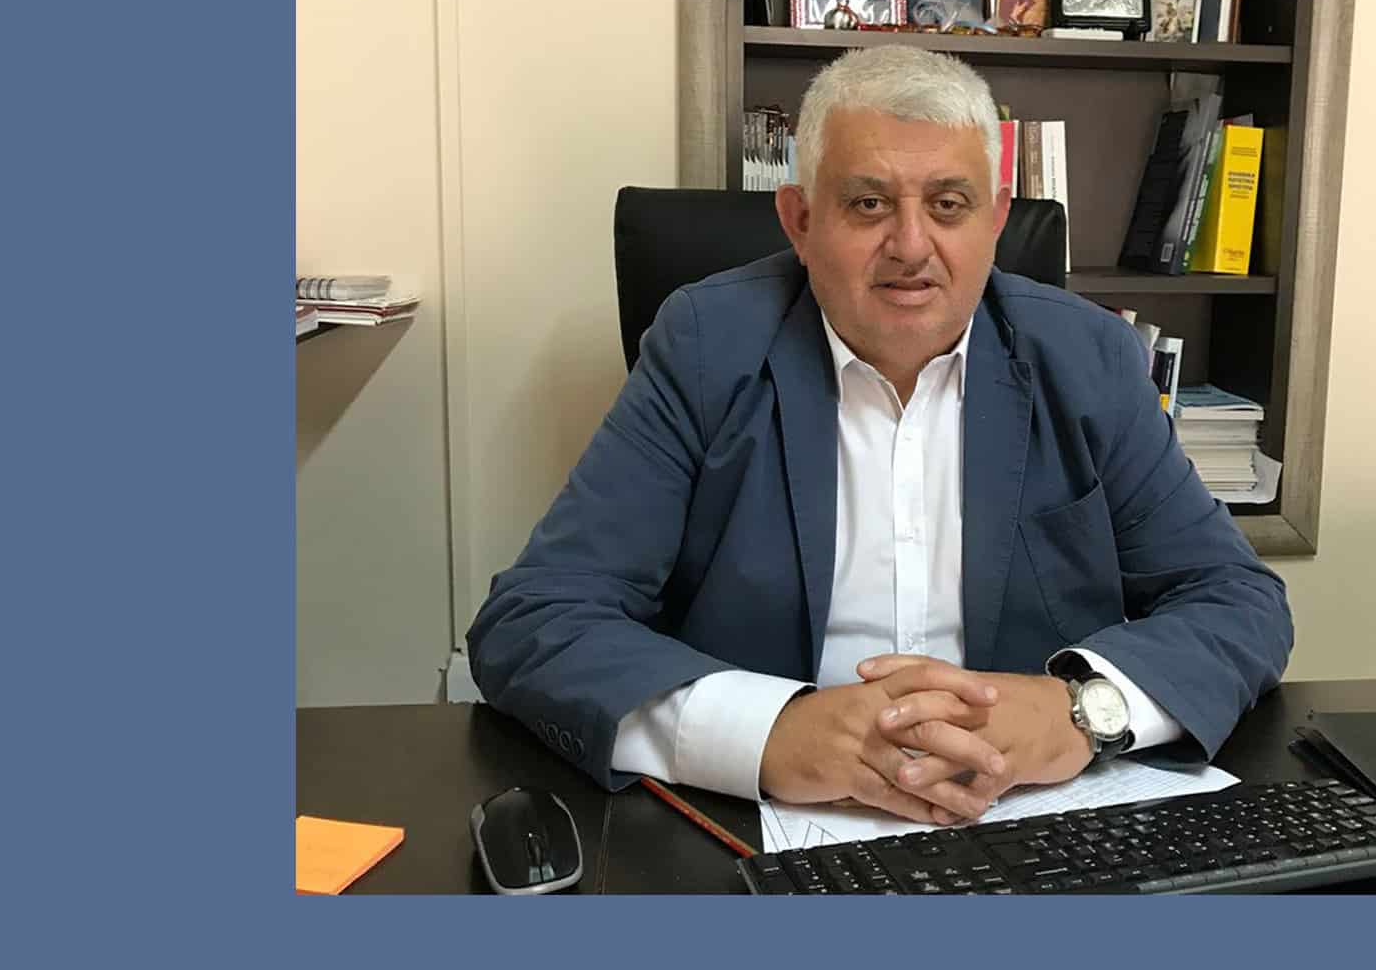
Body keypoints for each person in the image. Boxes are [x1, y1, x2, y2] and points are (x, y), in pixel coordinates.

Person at [467, 45, 1292, 827]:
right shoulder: (708, 346)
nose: (911, 246)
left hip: (1028, 818)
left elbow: (1235, 599)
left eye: (949, 205)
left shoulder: (1089, 357)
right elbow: (536, 621)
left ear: (996, 220)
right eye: (868, 203)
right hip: (777, 826)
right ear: (799, 220)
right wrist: (767, 732)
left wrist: (1082, 710)